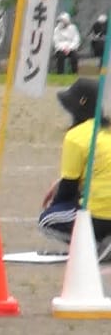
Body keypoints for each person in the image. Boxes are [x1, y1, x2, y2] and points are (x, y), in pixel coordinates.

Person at [39, 78, 111, 261]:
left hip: (100, 214)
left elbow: (68, 189)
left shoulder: (76, 136)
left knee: (48, 220)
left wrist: (56, 205)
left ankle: (97, 243)